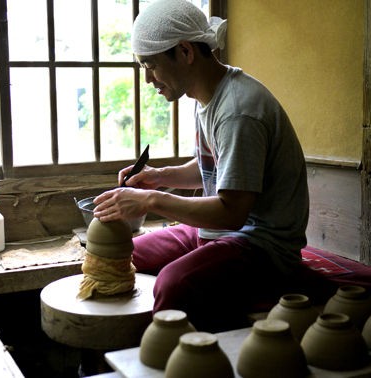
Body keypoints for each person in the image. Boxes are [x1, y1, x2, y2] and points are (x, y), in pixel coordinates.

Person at [93, 0, 312, 333]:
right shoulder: (207, 96)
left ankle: (175, 357)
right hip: (222, 233)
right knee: (124, 253)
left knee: (173, 283)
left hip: (262, 247)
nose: (149, 79)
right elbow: (216, 167)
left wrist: (150, 201)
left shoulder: (239, 110)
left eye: (150, 65)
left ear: (185, 51)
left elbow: (231, 212)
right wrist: (158, 178)